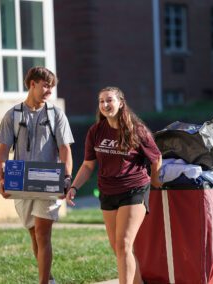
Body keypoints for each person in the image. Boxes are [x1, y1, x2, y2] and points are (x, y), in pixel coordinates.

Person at [66, 86, 162, 284]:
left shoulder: (137, 129)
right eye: (101, 101)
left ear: (120, 102)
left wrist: (154, 180)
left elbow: (156, 157)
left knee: (124, 245)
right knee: (118, 248)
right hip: (108, 191)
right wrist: (74, 187)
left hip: (134, 189)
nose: (105, 105)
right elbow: (87, 165)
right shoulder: (96, 131)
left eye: (109, 100)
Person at [0, 66, 74, 284]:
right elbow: (3, 151)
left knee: (42, 233)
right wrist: (1, 179)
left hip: (48, 180)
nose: (50, 90)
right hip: (20, 181)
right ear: (33, 84)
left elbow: (65, 149)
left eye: (52, 86)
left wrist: (66, 178)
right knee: (33, 235)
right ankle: (48, 277)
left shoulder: (55, 114)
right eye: (46, 85)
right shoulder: (13, 115)